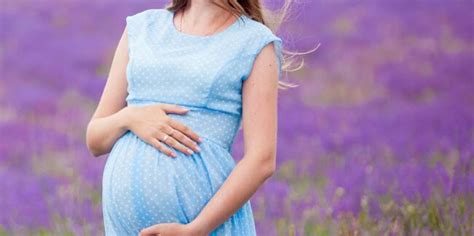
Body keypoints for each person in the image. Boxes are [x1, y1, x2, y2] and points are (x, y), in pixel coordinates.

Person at [86, 0, 302, 235]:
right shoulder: (141, 27)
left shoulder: (255, 43)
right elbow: (95, 139)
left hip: (200, 226)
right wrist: (129, 117)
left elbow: (261, 160)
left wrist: (195, 229)